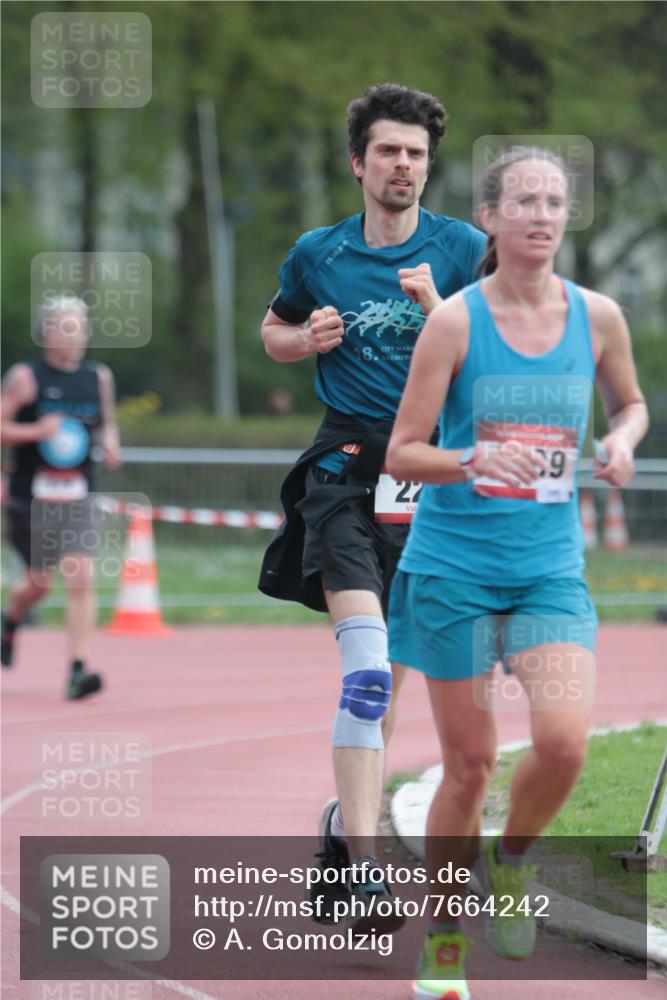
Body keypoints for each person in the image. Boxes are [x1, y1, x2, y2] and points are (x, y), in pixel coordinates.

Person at [385, 146, 648, 999]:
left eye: (554, 201)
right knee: (467, 766)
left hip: (546, 572)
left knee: (565, 744)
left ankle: (511, 859)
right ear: (490, 219)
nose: (541, 213)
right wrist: (470, 459)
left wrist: (618, 442)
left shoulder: (598, 316)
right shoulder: (454, 322)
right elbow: (404, 451)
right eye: (523, 200)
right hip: (453, 569)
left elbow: (630, 403)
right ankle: (446, 939)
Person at [258, 82, 485, 931]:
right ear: (359, 163)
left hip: (427, 478)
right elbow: (271, 331)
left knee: (387, 689)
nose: (403, 165)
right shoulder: (318, 252)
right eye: (388, 151)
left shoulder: (463, 248)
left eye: (416, 154)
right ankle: (362, 872)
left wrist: (441, 311)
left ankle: (336, 828)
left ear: (428, 167)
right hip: (346, 465)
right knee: (362, 679)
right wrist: (301, 339)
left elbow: (503, 351)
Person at [1, 295, 121, 699]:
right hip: (31, 500)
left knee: (81, 576)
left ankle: (77, 670)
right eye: (68, 328)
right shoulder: (26, 377)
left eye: (82, 328)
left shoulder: (98, 377)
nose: (77, 336)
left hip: (80, 496)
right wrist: (36, 432)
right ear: (47, 332)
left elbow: (106, 425)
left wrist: (110, 445)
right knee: (37, 585)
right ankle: (10, 619)